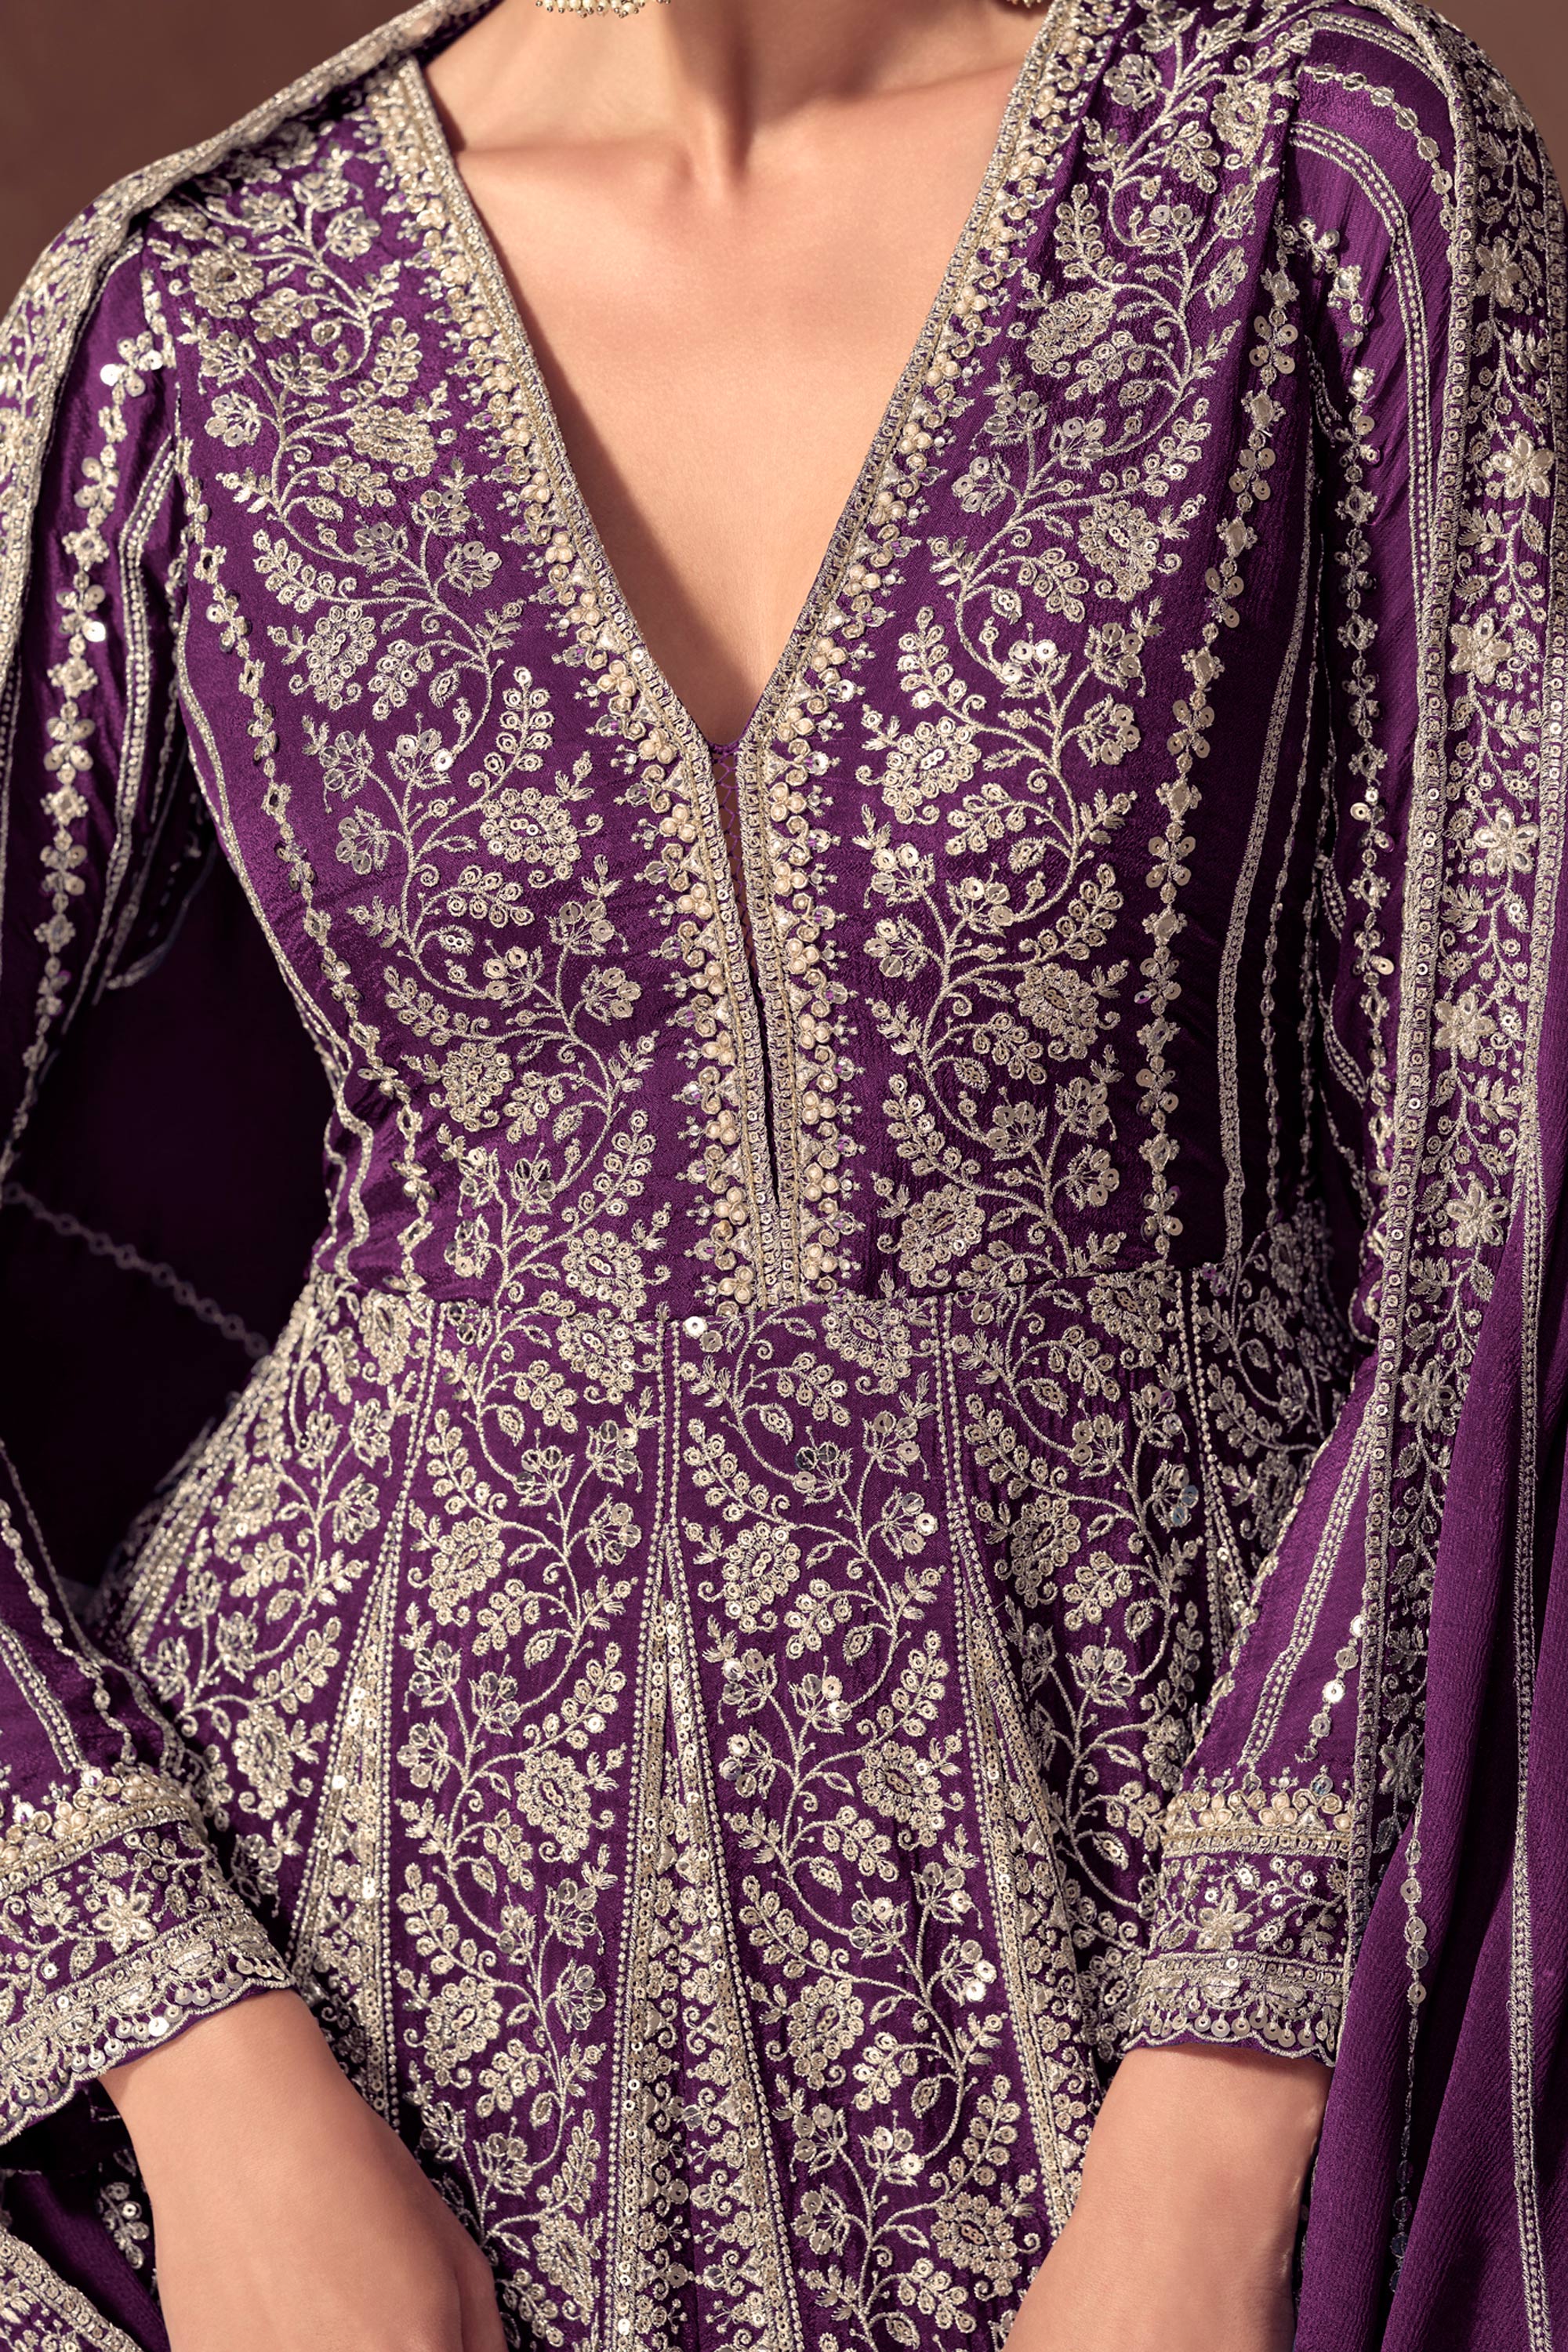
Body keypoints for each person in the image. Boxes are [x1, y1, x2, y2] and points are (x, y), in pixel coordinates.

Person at [0, 0, 1563, 2346]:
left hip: (1188, 1974)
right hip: (351, 2045)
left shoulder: (1312, 179)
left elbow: (1500, 1192)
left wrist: (1224, 2130)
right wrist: (204, 2075)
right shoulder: (194, 318)